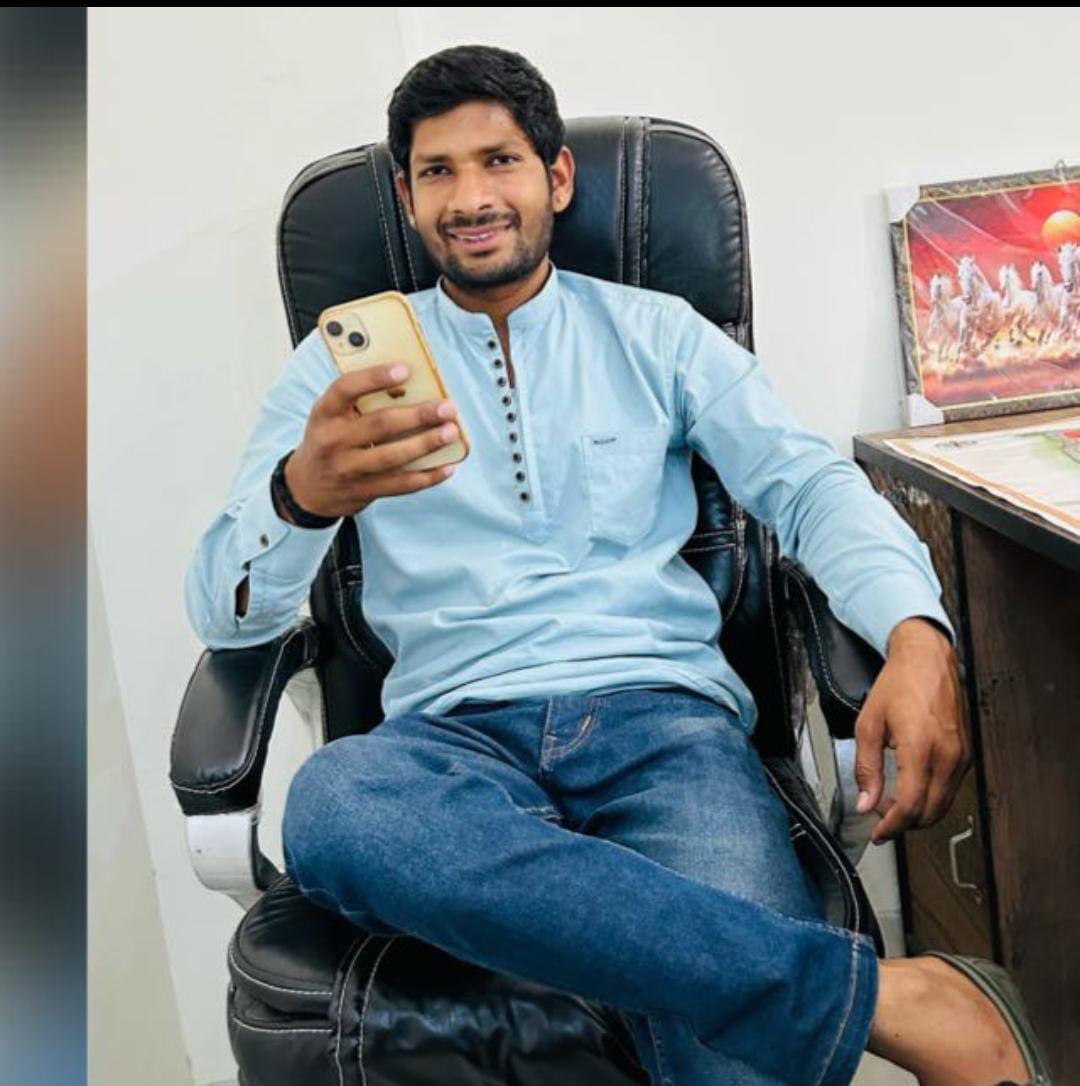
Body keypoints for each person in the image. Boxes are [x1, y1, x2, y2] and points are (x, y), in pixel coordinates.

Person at [183, 44, 1048, 1086]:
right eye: (438, 172)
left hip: (663, 728)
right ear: (408, 201)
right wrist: (299, 497)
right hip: (448, 743)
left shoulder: (659, 335)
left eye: (499, 161)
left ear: (555, 178)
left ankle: (754, 974)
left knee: (731, 1065)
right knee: (336, 804)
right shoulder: (331, 375)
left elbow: (806, 484)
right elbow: (225, 611)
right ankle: (881, 998)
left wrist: (915, 630)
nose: (471, 197)